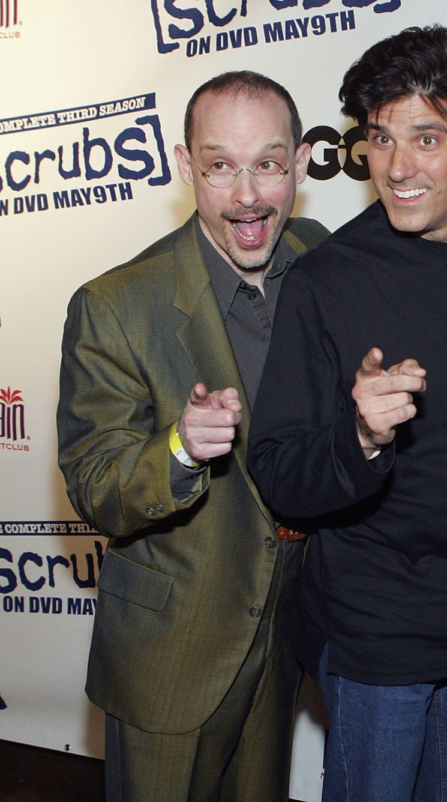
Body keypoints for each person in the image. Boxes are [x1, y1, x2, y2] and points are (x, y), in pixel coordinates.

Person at [247, 26, 447, 802]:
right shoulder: (326, 282)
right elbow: (278, 471)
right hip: (375, 640)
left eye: (426, 138)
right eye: (381, 138)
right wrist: (359, 438)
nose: (398, 166)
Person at [57, 71, 324, 802]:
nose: (247, 195)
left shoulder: (321, 259)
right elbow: (96, 485)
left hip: (287, 637)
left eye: (268, 164)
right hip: (171, 655)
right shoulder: (116, 304)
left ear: (302, 162)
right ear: (184, 167)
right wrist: (177, 450)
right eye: (220, 167)